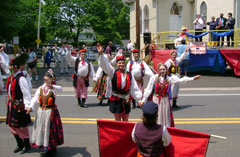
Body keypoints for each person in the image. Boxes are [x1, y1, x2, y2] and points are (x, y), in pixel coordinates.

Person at [97, 44, 142, 122]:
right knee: (117, 119)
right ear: (117, 64)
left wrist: (138, 99)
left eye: (122, 63)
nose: (121, 64)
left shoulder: (129, 74)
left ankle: (125, 133)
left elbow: (134, 87)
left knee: (126, 119)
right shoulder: (112, 72)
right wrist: (101, 54)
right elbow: (106, 66)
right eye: (119, 63)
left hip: (126, 100)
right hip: (116, 99)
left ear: (124, 64)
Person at [30, 69, 64, 157]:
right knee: (43, 130)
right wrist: (31, 106)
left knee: (50, 131)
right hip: (42, 112)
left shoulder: (53, 89)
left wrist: (53, 87)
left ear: (51, 79)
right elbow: (35, 98)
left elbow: (61, 89)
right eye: (45, 76)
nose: (44, 78)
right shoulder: (41, 88)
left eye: (47, 77)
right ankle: (48, 148)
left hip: (51, 113)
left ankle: (52, 149)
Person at [6, 53, 32, 154]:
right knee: (11, 125)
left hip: (19, 105)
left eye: (11, 66)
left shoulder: (21, 78)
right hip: (12, 104)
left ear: (16, 67)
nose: (10, 68)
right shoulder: (12, 77)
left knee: (21, 126)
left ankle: (26, 144)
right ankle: (20, 144)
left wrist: (27, 106)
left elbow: (26, 93)